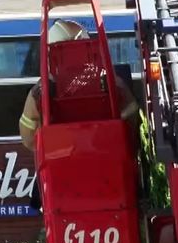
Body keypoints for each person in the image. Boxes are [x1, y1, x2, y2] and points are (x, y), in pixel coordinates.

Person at [19, 19, 140, 211]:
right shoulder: (111, 82)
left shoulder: (39, 92)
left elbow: (28, 139)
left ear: (50, 54)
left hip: (61, 186)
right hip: (111, 180)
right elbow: (133, 122)